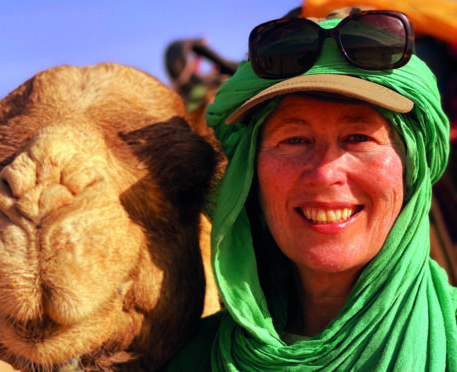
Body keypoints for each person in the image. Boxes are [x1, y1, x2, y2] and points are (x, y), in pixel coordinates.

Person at [163, 7, 457, 372]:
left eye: (358, 137)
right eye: (294, 139)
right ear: (248, 173)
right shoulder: (191, 359)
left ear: (413, 167)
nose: (323, 172)